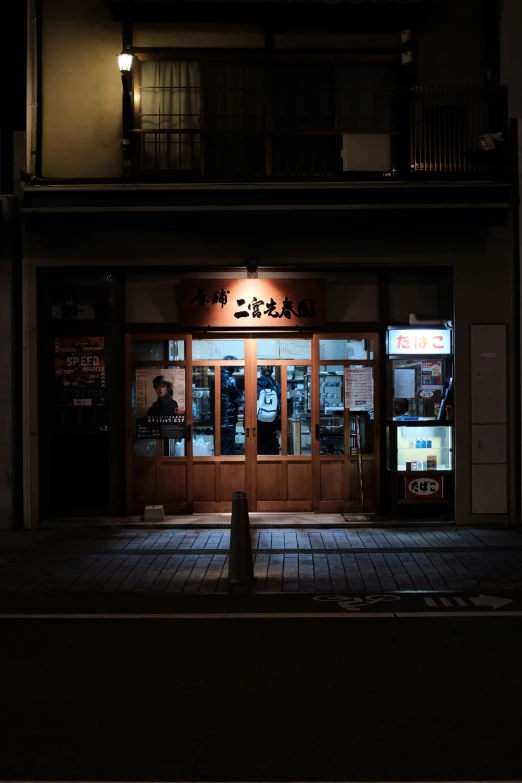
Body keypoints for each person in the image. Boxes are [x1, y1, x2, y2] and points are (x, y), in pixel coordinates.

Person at [220, 356, 242, 455]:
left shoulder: (216, 378)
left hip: (217, 418)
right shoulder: (231, 380)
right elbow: (238, 395)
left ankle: (219, 468)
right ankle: (226, 469)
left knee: (219, 447)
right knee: (227, 448)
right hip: (228, 419)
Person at [257, 366, 281, 455]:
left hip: (257, 423)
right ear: (272, 371)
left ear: (261, 371)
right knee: (272, 450)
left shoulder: (254, 385)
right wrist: (279, 427)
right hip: (273, 423)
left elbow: (248, 407)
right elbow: (280, 407)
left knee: (258, 450)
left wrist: (246, 425)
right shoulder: (277, 385)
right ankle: (273, 468)